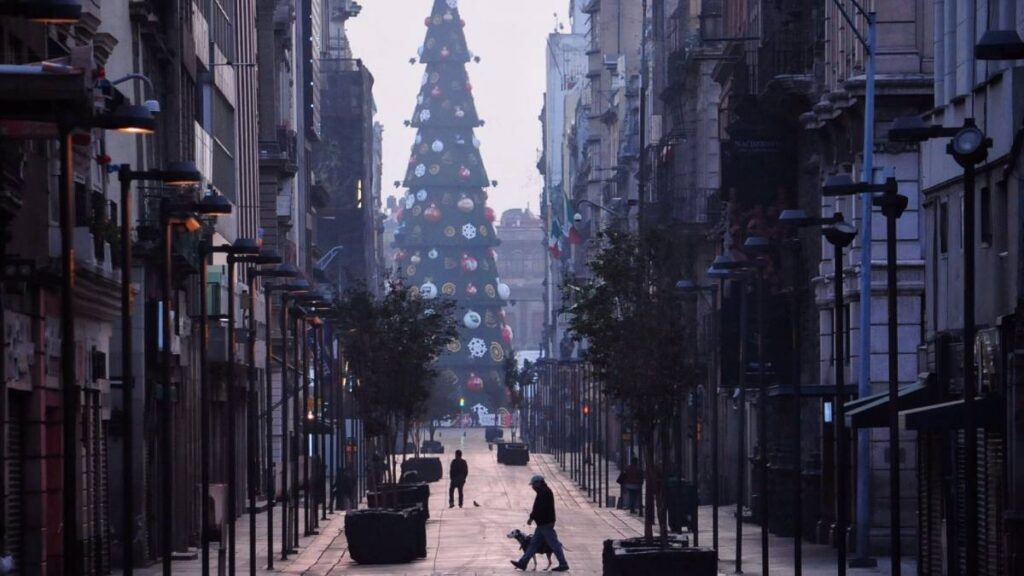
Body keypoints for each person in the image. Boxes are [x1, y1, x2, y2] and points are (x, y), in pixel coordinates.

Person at [510, 475, 569, 572]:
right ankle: (523, 563)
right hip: (543, 523)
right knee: (533, 543)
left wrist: (531, 517)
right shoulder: (543, 491)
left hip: (545, 523)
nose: (532, 487)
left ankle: (563, 563)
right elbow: (538, 508)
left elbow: (538, 508)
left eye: (533, 485)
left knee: (553, 543)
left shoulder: (544, 492)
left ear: (538, 483)